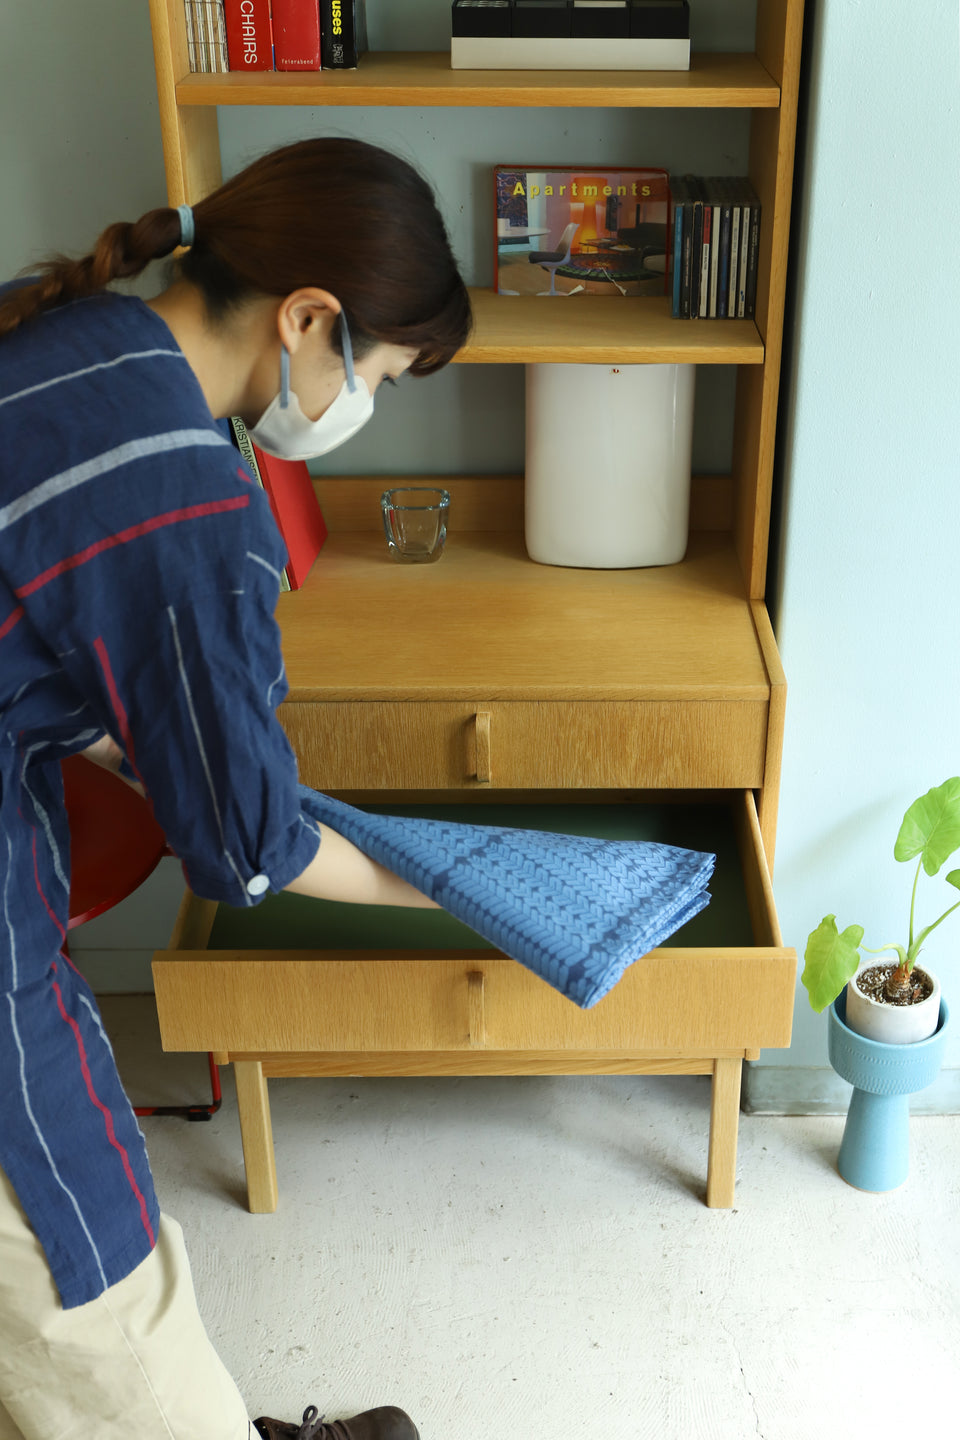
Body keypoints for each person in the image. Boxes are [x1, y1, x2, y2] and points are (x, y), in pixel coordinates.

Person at [0, 137, 471, 1440]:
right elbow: (252, 851)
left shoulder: (86, 334)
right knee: (80, 1246)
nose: (358, 403)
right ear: (308, 316)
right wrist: (464, 891)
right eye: (371, 375)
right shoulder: (187, 494)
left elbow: (45, 622)